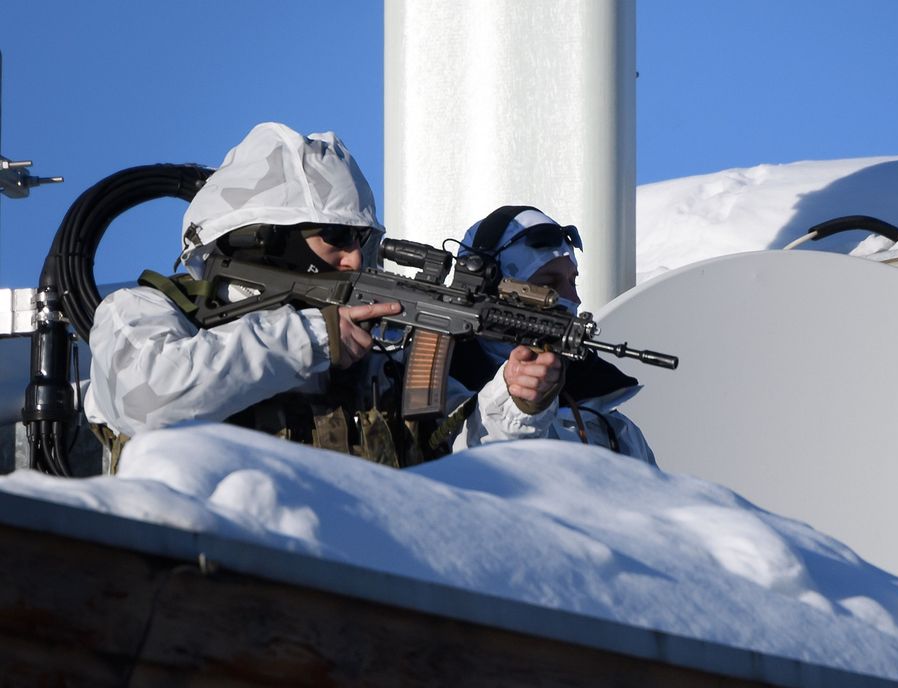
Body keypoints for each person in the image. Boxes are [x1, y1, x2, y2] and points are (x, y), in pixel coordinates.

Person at [83, 123, 562, 469]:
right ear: (267, 239)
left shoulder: (374, 359)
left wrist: (513, 403)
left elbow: (461, 462)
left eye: (363, 243)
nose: (354, 260)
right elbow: (147, 399)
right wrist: (313, 339)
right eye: (336, 237)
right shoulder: (146, 312)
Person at [444, 205, 656, 464]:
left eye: (572, 281)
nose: (572, 298)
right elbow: (458, 463)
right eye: (548, 285)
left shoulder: (612, 426)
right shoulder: (423, 384)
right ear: (492, 290)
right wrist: (517, 405)